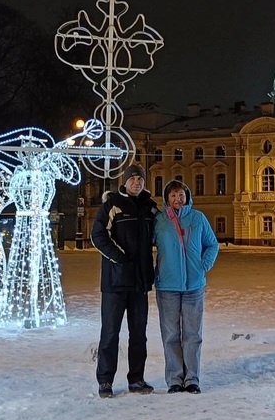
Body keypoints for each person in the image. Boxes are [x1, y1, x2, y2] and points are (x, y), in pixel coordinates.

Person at [90, 163, 158, 398]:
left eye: (140, 180)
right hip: (115, 282)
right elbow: (97, 235)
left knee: (139, 334)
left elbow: (162, 235)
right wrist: (119, 258)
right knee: (110, 333)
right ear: (125, 181)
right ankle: (105, 381)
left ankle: (136, 379)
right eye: (133, 179)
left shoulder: (150, 208)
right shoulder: (112, 205)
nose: (137, 183)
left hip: (139, 283)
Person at [153, 179, 219, 394]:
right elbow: (145, 245)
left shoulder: (197, 218)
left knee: (192, 335)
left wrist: (203, 265)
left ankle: (192, 379)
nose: (177, 199)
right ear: (167, 199)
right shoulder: (160, 221)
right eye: (173, 195)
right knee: (171, 334)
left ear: (187, 197)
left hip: (193, 286)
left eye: (181, 195)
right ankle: (174, 379)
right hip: (168, 286)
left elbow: (212, 244)